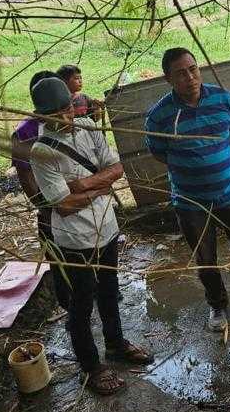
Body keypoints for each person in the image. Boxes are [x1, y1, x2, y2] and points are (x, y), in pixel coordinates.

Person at [145, 48, 230, 334]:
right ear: (168, 78)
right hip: (190, 201)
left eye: (193, 69)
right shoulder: (159, 116)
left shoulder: (223, 99)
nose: (190, 77)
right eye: (181, 73)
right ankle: (218, 305)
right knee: (205, 258)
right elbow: (159, 154)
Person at [30, 76, 153, 395]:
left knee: (110, 292)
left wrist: (82, 184)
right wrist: (100, 185)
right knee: (80, 306)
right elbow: (65, 207)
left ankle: (115, 344)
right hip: (75, 241)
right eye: (55, 113)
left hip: (107, 229)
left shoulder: (88, 128)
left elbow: (117, 170)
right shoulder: (41, 151)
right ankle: (91, 366)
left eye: (67, 108)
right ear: (40, 115)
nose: (65, 118)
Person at [12, 70, 71, 312]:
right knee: (60, 261)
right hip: (51, 207)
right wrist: (45, 207)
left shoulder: (70, 120)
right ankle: (69, 307)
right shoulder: (25, 132)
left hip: (75, 201)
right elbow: (25, 175)